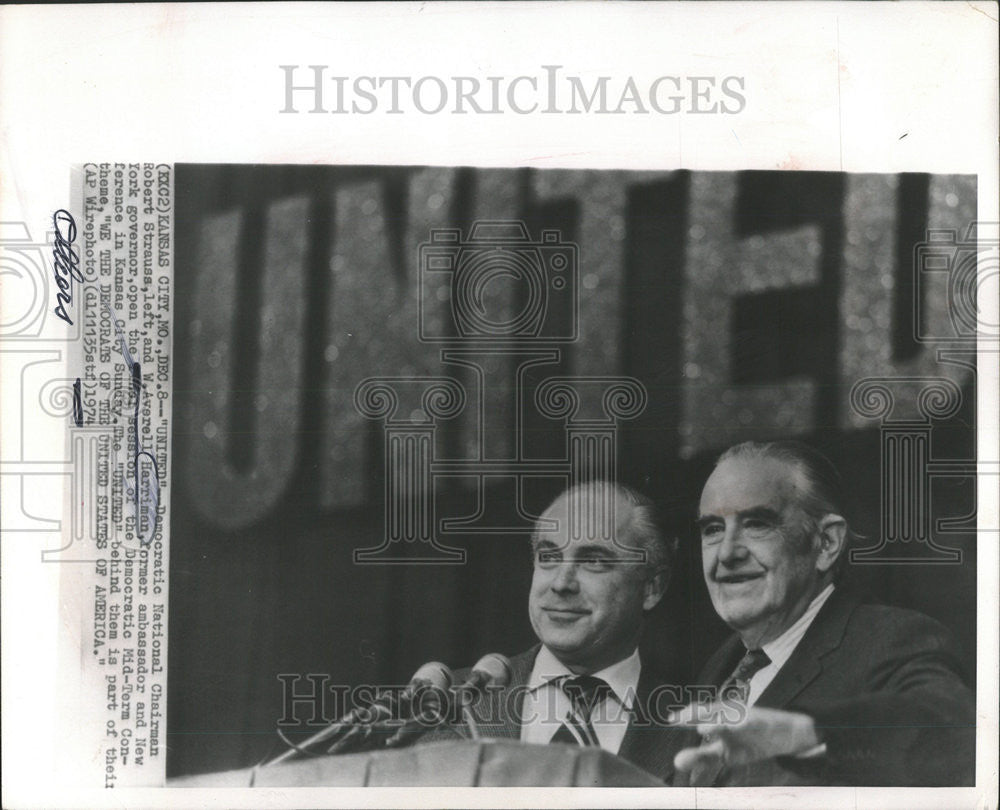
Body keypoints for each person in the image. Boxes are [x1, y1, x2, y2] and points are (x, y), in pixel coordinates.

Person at [670, 440, 976, 787]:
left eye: (757, 523)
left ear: (827, 543)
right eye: (712, 529)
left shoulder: (892, 638)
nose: (726, 553)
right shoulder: (720, 666)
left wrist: (809, 733)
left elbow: (953, 725)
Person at [423, 481, 684, 779]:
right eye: (548, 557)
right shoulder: (447, 705)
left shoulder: (695, 729)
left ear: (652, 587)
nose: (561, 583)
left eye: (594, 561)